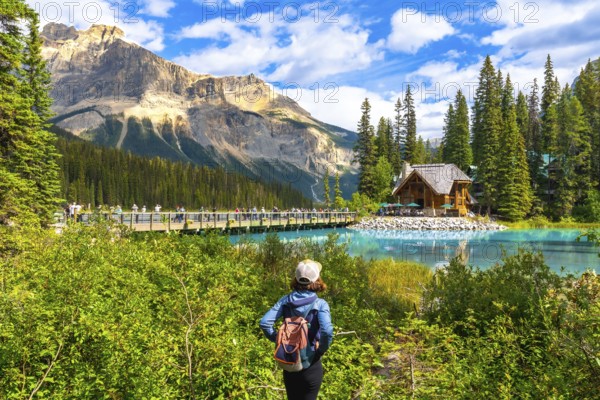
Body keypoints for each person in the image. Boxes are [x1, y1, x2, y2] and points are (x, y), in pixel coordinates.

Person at [260, 260, 334, 400]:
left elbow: (265, 323)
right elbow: (327, 331)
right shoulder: (320, 304)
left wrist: (278, 339)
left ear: (296, 278)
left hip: (289, 362)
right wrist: (320, 351)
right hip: (311, 365)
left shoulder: (285, 300)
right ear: (316, 279)